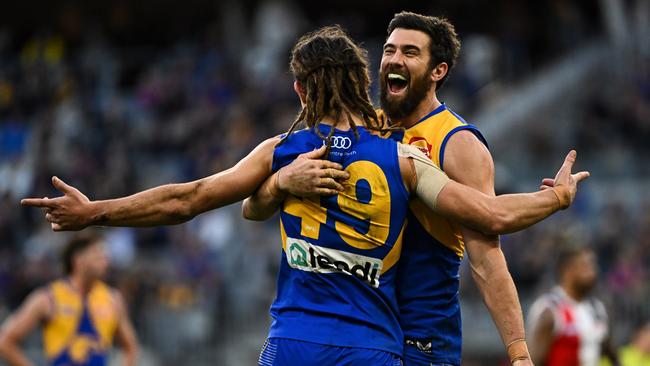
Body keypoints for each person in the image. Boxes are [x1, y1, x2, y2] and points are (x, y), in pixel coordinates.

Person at [21, 26, 587, 365]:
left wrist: (94, 210)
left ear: (299, 88)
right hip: (374, 347)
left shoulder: (282, 152)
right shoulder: (406, 157)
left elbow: (185, 200)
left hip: (295, 340)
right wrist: (555, 200)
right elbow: (490, 215)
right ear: (358, 80)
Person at [244, 11, 545, 366]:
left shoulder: (458, 143)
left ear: (438, 71)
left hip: (424, 340)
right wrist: (279, 182)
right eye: (389, 50)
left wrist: (519, 351)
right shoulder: (367, 131)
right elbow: (254, 205)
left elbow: (486, 256)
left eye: (410, 52)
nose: (394, 60)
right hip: (369, 336)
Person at [0, 232, 138, 366]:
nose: (105, 260)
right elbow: (5, 341)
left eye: (105, 255)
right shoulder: (48, 298)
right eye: (97, 254)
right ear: (78, 259)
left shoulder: (112, 298)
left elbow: (130, 346)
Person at [527, 245, 619, 366]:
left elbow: (610, 351)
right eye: (586, 266)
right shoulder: (551, 310)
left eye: (593, 266)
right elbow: (532, 360)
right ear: (567, 271)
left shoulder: (597, 309)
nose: (593, 272)